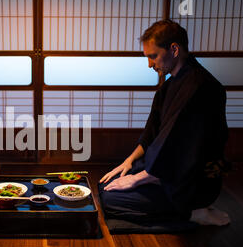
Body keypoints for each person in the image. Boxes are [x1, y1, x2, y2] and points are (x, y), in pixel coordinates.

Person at [98, 20, 230, 226]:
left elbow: (185, 149)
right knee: (105, 185)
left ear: (174, 49)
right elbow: (152, 132)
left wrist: (137, 178)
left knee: (110, 200)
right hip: (164, 170)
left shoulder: (201, 87)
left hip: (192, 181)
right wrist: (129, 162)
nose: (150, 64)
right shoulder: (169, 86)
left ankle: (192, 213)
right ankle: (181, 204)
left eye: (153, 56)